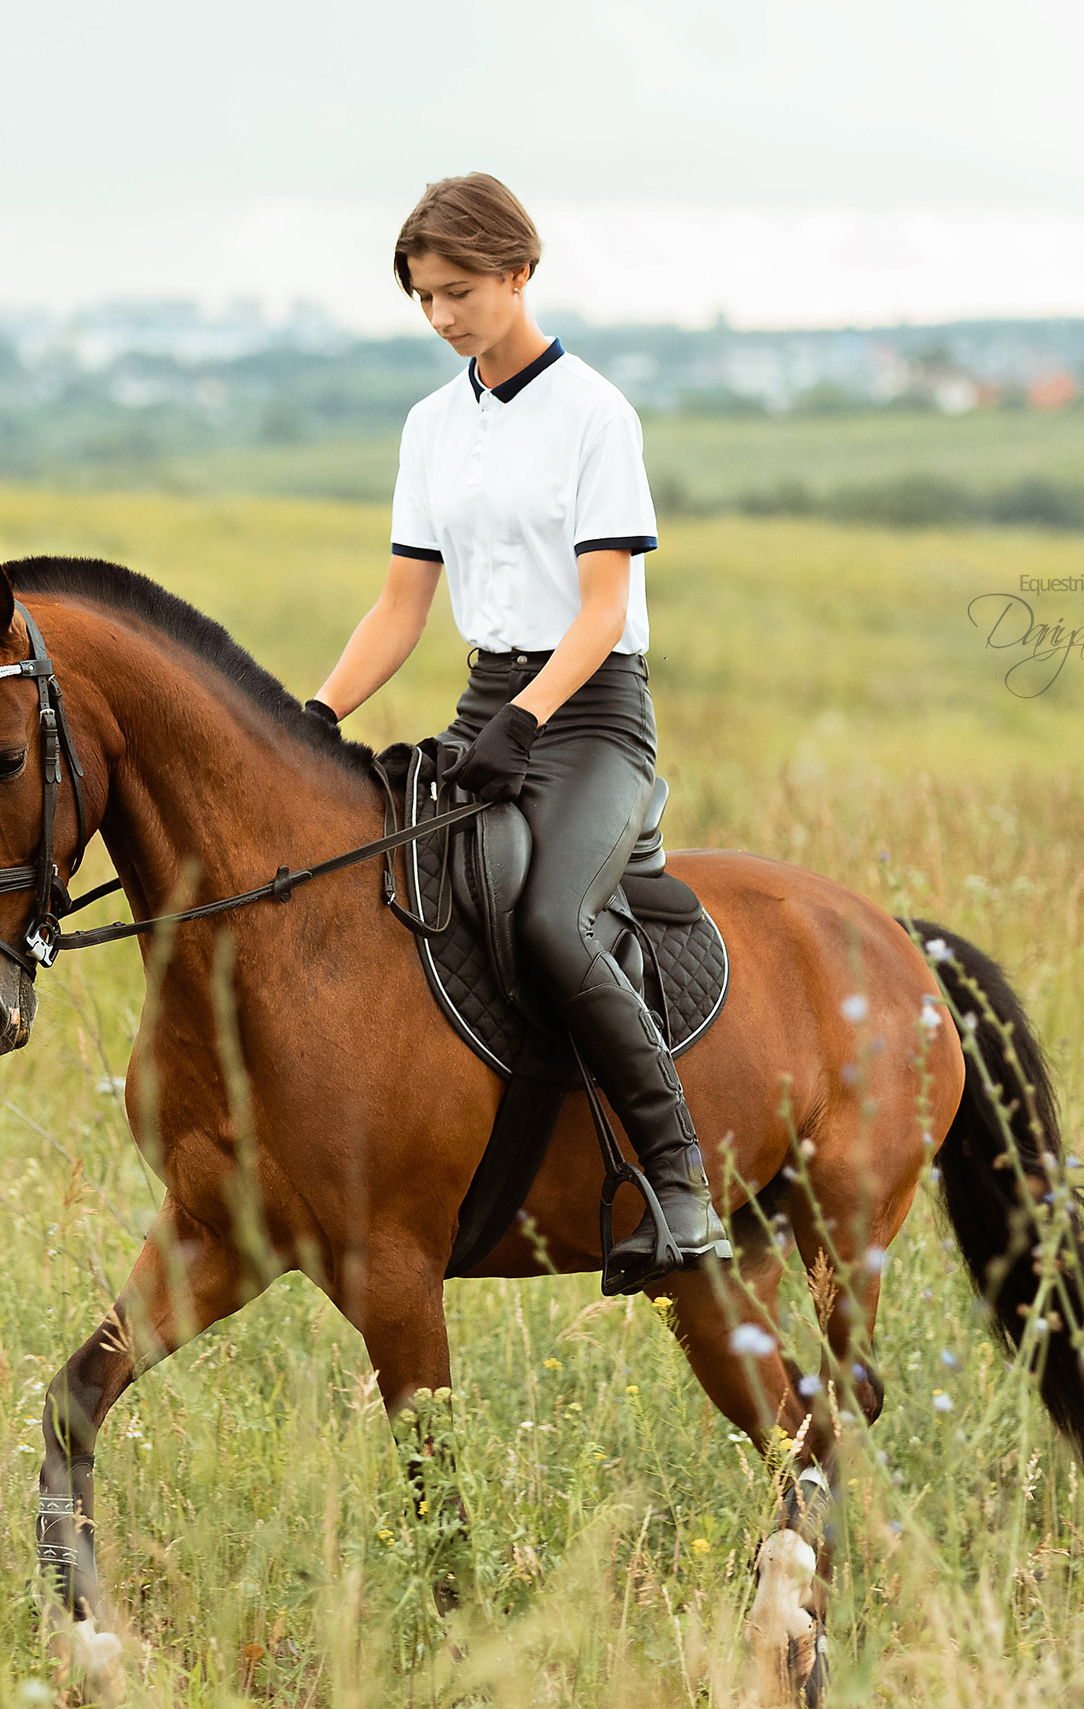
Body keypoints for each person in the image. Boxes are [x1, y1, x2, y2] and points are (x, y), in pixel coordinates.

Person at [304, 172, 730, 1294]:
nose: (443, 317)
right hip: (486, 704)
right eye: (423, 298)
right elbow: (399, 605)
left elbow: (600, 610)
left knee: (547, 917)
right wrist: (312, 714)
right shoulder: (431, 425)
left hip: (590, 718)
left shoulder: (595, 412)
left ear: (518, 272)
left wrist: (529, 717)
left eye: (459, 290)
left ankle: (677, 1185)